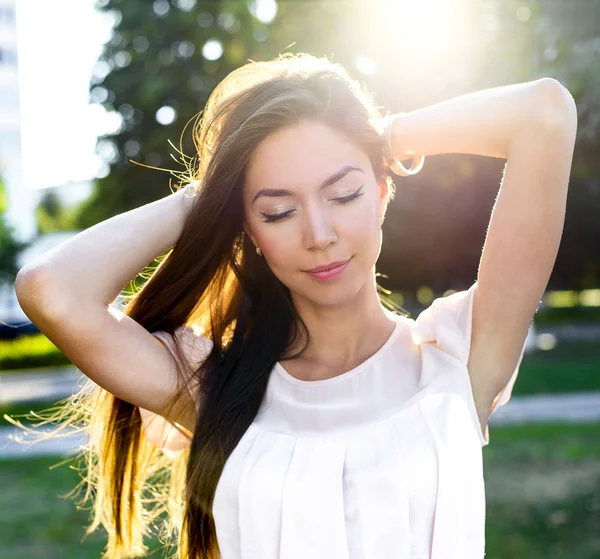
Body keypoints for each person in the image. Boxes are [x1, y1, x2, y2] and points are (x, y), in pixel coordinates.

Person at [13, 52, 577, 559]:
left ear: (382, 191)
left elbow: (544, 114)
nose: (319, 234)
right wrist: (216, 193)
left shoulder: (458, 357)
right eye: (278, 211)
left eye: (344, 193)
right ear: (249, 229)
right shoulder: (216, 387)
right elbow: (51, 291)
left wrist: (385, 136)